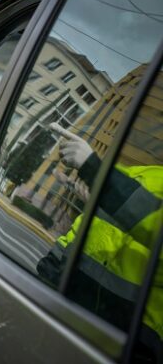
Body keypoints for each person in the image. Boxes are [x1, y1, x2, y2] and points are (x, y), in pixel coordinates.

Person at [38, 124, 162, 359]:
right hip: (67, 309)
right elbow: (91, 227)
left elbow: (152, 225)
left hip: (126, 340)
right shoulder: (142, 174)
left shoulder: (119, 178)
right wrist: (53, 266)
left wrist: (94, 169)